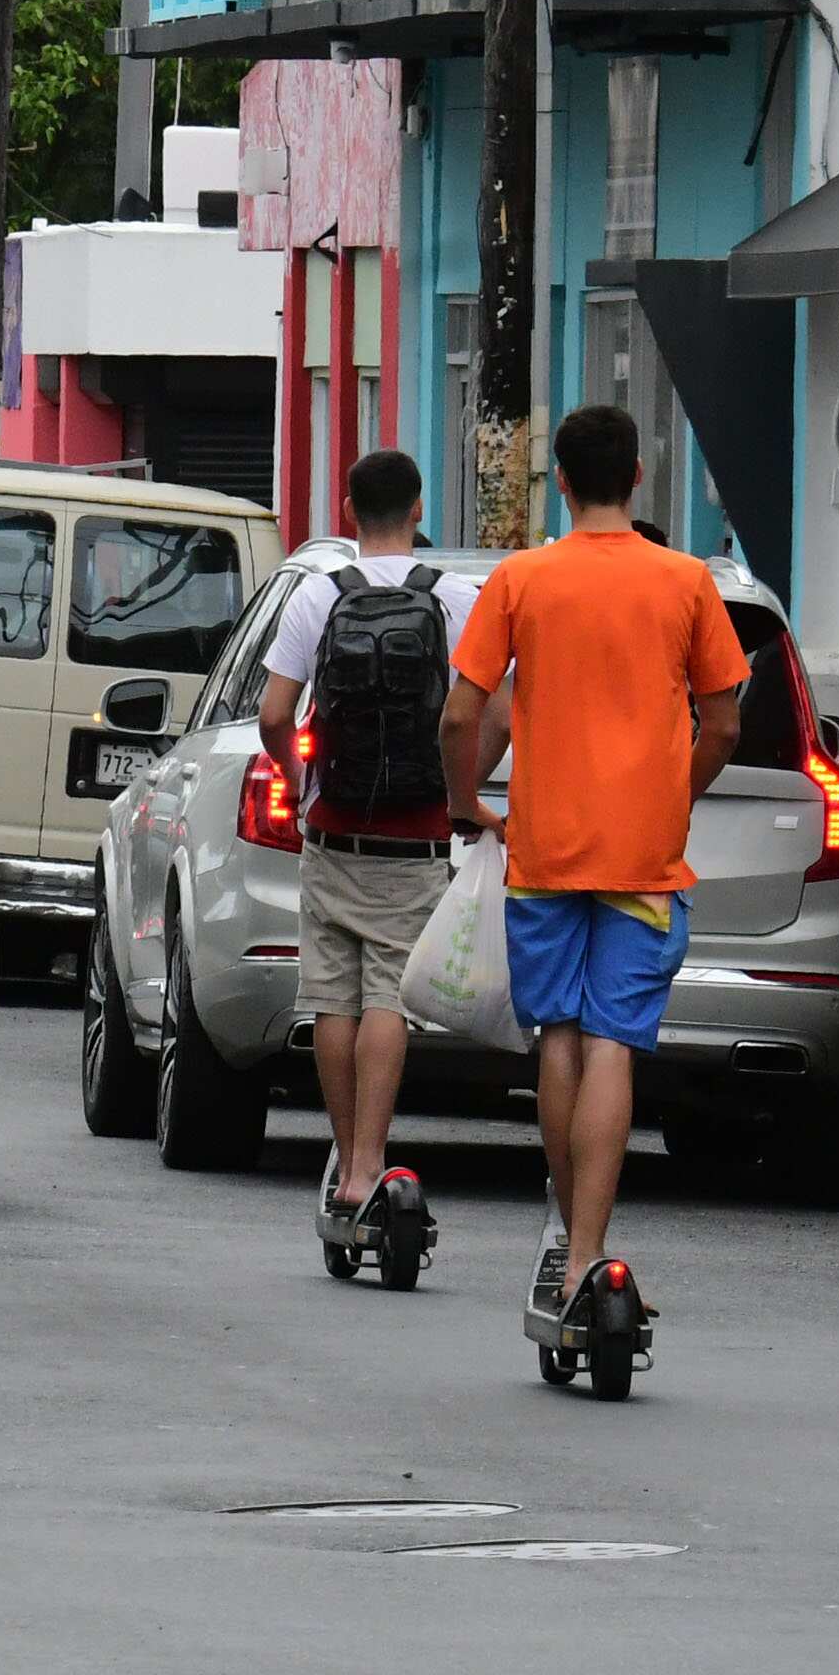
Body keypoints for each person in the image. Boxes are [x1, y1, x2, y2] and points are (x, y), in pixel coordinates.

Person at [440, 404, 749, 1326]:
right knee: (614, 1041)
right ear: (639, 476)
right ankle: (588, 1254)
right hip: (644, 862)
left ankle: (566, 1242)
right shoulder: (686, 581)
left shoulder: (521, 579)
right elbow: (725, 722)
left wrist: (465, 802)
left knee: (560, 1041)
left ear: (562, 484)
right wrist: (672, 794)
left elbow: (461, 714)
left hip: (543, 853)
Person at [256, 448, 477, 1231]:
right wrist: (462, 791)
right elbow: (487, 710)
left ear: (348, 511)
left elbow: (275, 715)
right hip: (418, 833)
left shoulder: (318, 594)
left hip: (335, 827)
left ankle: (346, 1160)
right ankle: (368, 1164)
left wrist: (300, 781)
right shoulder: (456, 598)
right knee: (388, 992)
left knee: (331, 996)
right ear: (419, 508)